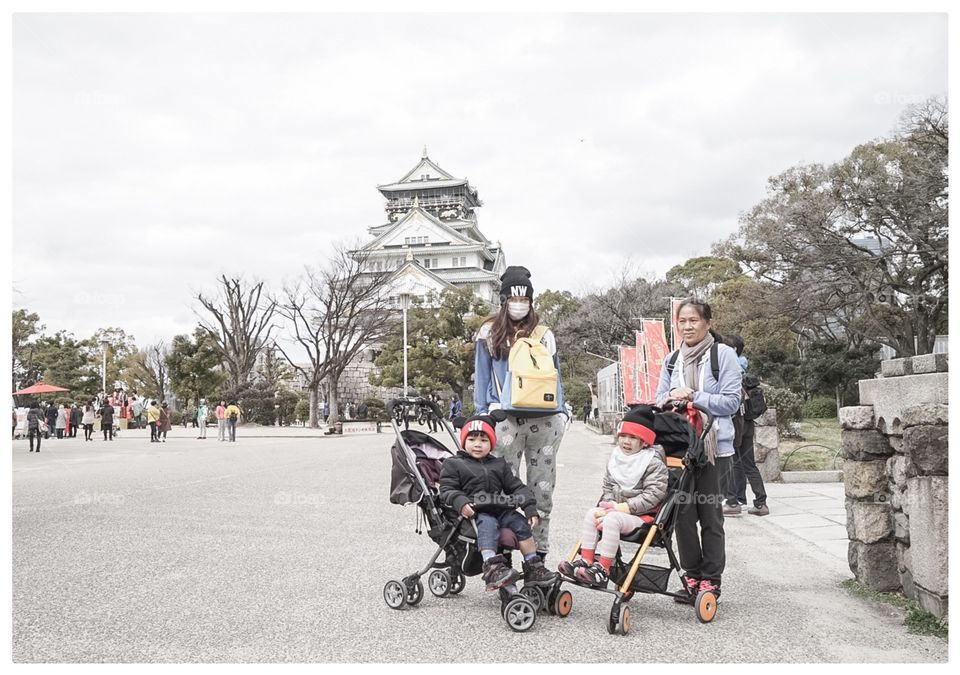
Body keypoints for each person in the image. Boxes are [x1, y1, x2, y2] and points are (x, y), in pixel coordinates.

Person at [473, 266, 567, 562]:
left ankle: (537, 556)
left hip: (545, 419)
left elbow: (556, 375)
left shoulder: (544, 334)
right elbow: (482, 375)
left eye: (524, 299)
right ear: (504, 300)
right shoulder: (488, 332)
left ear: (530, 300)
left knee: (542, 491)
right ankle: (505, 552)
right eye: (513, 298)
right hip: (504, 420)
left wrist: (561, 411)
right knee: (502, 488)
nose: (519, 303)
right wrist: (482, 414)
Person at [656, 298, 740, 601]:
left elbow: (731, 401)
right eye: (682, 321)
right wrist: (670, 398)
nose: (687, 326)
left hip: (715, 447)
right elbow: (659, 399)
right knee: (682, 515)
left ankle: (711, 580)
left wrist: (695, 396)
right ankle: (691, 576)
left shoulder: (723, 355)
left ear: (707, 323)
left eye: (693, 320)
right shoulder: (672, 359)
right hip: (681, 448)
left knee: (711, 515)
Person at [438, 414, 557, 592]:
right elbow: (447, 489)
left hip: (500, 508)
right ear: (464, 441)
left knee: (519, 522)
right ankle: (491, 566)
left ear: (492, 443)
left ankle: (533, 565)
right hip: (475, 512)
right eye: (472, 439)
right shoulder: (454, 464)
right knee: (488, 523)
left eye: (484, 440)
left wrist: (529, 508)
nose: (478, 444)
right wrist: (461, 502)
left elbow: (517, 487)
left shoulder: (498, 465)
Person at [558, 406, 669, 587]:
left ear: (644, 442)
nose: (626, 441)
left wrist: (621, 508)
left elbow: (653, 495)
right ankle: (586, 561)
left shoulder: (652, 463)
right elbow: (608, 485)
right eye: (623, 436)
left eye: (633, 438)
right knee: (591, 514)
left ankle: (603, 569)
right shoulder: (617, 458)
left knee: (612, 520)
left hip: (642, 516)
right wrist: (610, 503)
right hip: (616, 510)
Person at [722, 334, 769, 517]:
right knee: (748, 464)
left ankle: (733, 502)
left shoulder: (732, 370)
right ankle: (760, 503)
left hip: (737, 423)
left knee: (733, 462)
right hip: (748, 423)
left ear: (732, 350)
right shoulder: (744, 369)